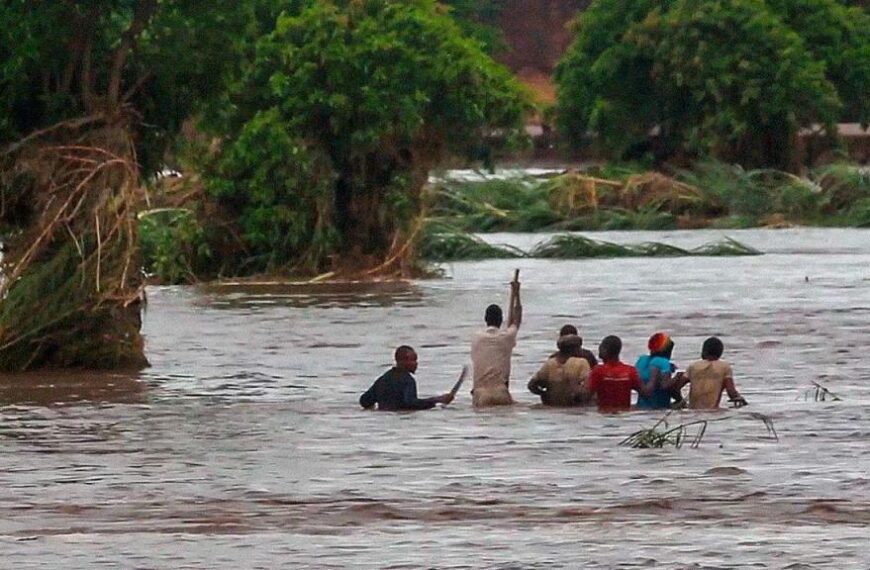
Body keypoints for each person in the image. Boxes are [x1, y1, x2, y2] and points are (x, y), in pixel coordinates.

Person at [470, 280, 522, 408]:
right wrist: (517, 293)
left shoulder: (476, 337)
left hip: (481, 393)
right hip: (501, 392)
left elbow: (513, 323)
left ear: (485, 319)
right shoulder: (506, 337)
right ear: (500, 320)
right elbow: (517, 319)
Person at [359, 346, 454, 411]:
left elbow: (364, 401)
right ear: (401, 361)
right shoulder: (407, 380)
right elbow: (410, 403)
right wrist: (437, 400)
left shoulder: (383, 379)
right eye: (413, 360)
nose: (416, 363)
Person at [587, 335, 658, 412]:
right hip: (624, 415)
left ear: (605, 349)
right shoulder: (630, 371)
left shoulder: (598, 371)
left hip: (603, 415)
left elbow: (586, 396)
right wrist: (654, 376)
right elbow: (646, 393)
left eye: (600, 347)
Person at [674, 337, 747, 409]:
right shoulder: (724, 367)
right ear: (720, 352)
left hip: (693, 412)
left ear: (704, 350)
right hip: (713, 412)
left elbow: (676, 388)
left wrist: (681, 401)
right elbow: (731, 392)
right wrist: (743, 401)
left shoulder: (693, 366)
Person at [528, 334, 593, 406]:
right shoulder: (581, 363)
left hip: (552, 404)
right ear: (575, 349)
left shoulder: (550, 363)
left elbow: (532, 385)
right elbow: (588, 387)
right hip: (573, 406)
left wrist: (543, 394)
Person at [634, 332, 680, 410]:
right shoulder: (663, 362)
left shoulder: (642, 360)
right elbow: (664, 385)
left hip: (641, 406)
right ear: (667, 351)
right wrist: (678, 376)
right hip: (659, 407)